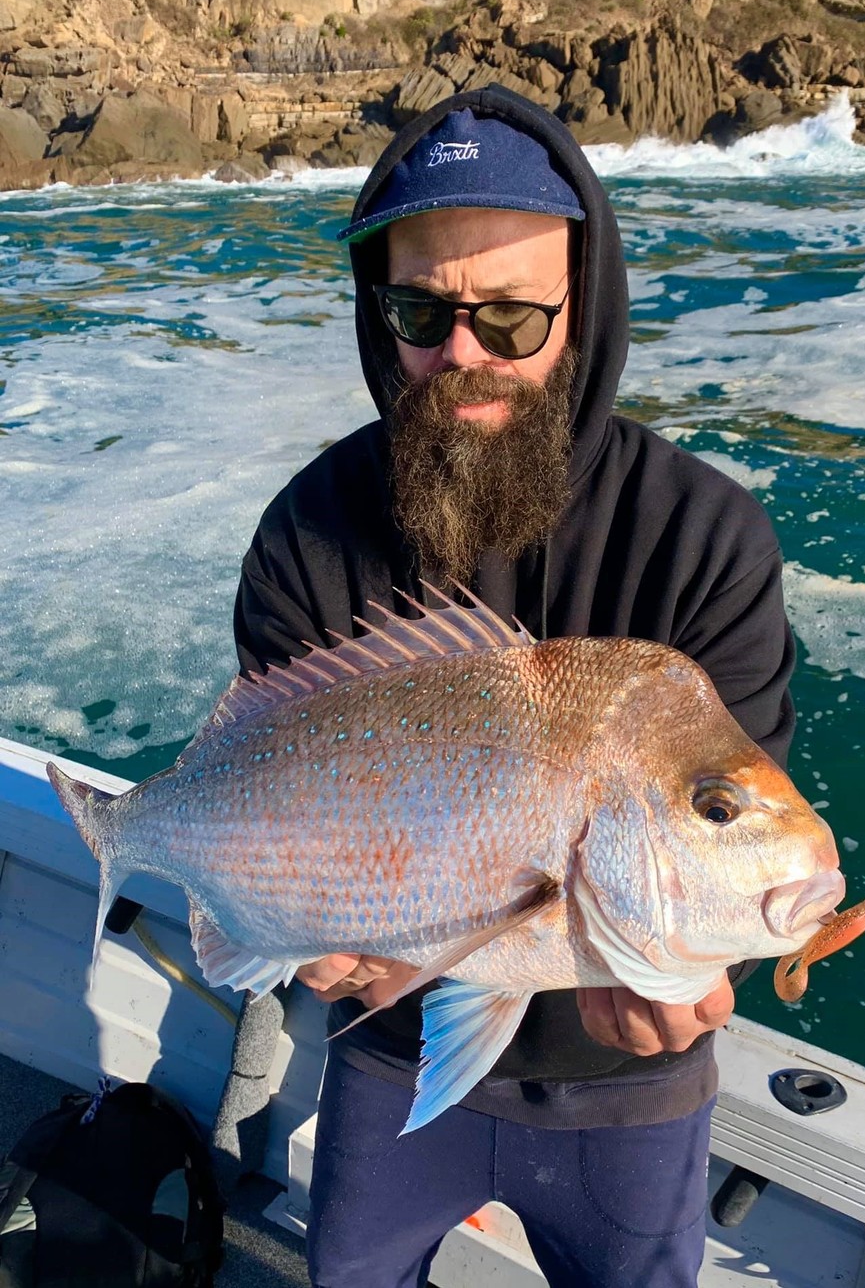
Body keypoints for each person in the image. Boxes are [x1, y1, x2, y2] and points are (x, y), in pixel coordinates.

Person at [234, 84, 795, 1288]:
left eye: (509, 317)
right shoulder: (307, 531)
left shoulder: (706, 536)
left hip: (629, 1094)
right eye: (420, 312)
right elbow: (264, 767)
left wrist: (712, 966)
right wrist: (298, 930)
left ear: (580, 309)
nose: (461, 357)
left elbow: (732, 818)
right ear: (372, 312)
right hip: (388, 1049)